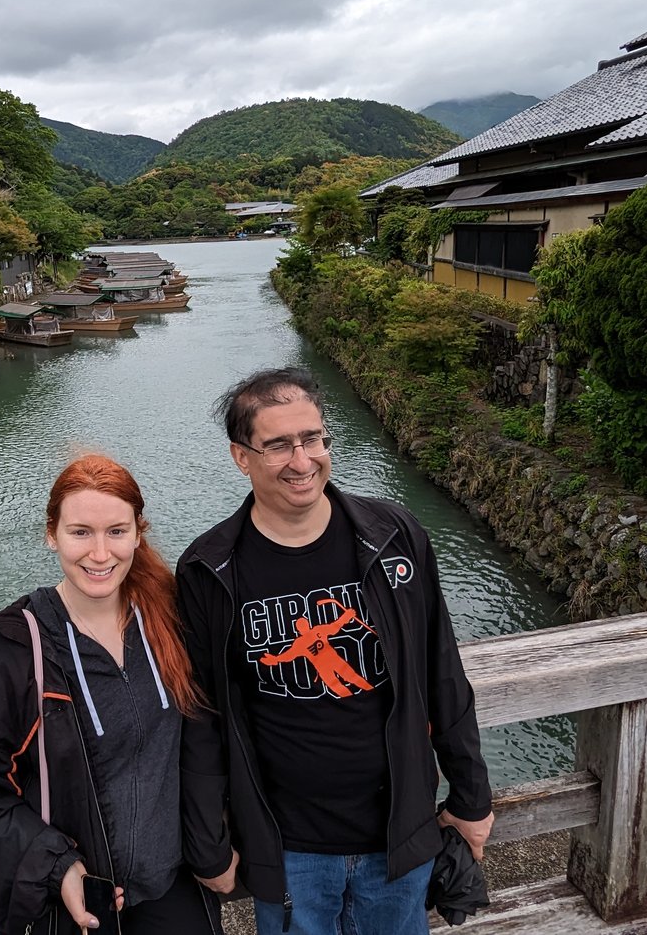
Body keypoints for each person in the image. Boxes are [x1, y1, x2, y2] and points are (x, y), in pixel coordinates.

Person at [176, 367, 494, 935]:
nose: (302, 461)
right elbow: (203, 714)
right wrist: (208, 840)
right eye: (278, 445)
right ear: (241, 457)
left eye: (313, 439)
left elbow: (442, 670)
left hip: (399, 833)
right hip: (287, 846)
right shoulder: (210, 569)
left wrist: (471, 796)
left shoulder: (395, 537)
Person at [0, 454, 221, 935]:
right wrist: (56, 865)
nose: (101, 553)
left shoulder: (171, 620)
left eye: (116, 531)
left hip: (173, 886)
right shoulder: (20, 651)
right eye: (80, 532)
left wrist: (216, 843)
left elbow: (215, 732)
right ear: (52, 535)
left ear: (137, 532)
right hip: (79, 905)